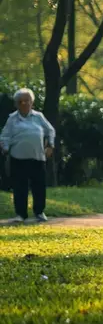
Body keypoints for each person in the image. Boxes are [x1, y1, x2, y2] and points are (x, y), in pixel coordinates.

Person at [0, 88, 56, 223]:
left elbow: (50, 130)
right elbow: (5, 136)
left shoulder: (38, 116)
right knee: (20, 187)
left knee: (39, 186)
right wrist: (6, 148)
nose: (24, 104)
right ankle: (21, 214)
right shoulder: (12, 119)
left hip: (37, 157)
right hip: (18, 158)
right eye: (20, 102)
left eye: (27, 101)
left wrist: (50, 145)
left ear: (32, 103)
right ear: (16, 104)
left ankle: (39, 212)